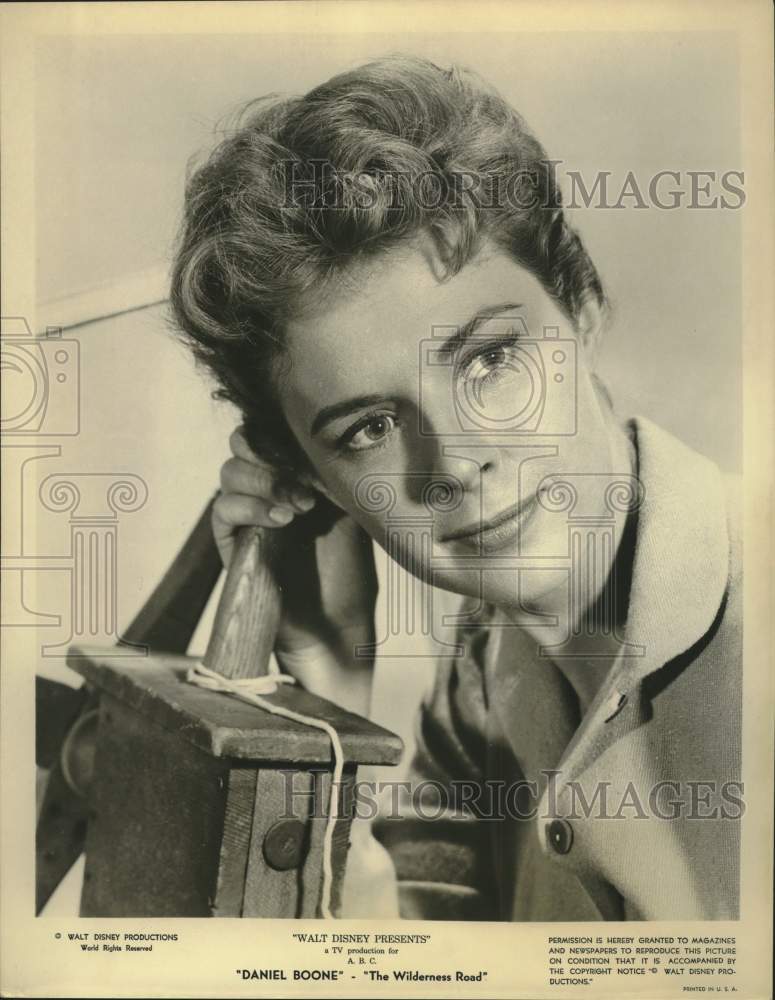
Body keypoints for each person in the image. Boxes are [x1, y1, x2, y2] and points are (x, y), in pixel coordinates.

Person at [170, 55, 742, 921]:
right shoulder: (479, 674)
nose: (455, 461)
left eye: (490, 360)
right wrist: (327, 680)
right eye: (369, 428)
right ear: (313, 481)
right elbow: (389, 964)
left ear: (581, 309)